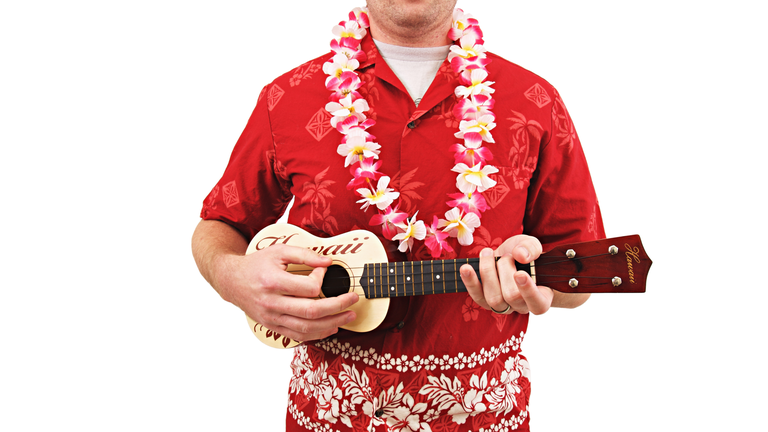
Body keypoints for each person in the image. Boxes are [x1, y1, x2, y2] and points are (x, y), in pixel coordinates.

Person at [192, 1, 604, 430]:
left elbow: (585, 270)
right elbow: (221, 223)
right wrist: (231, 277)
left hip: (483, 418)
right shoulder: (288, 97)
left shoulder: (535, 102)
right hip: (328, 418)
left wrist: (534, 284)